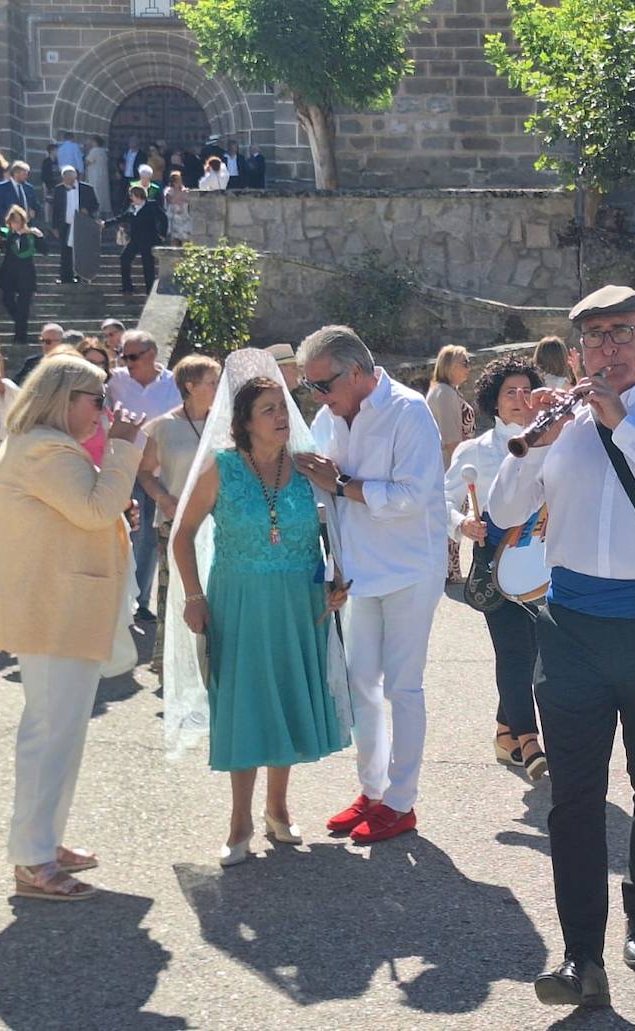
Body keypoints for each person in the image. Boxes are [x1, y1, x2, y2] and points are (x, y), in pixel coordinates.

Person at [486, 285, 635, 1008]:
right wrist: (535, 448)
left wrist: (622, 423)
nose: (608, 348)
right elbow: (501, 510)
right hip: (572, 632)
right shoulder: (558, 417)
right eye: (593, 338)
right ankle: (581, 953)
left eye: (621, 332)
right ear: (579, 348)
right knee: (574, 799)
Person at [171, 364, 349, 865]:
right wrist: (193, 597)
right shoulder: (221, 468)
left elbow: (333, 532)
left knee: (288, 697)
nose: (281, 417)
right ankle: (238, 821)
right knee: (246, 703)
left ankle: (278, 808)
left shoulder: (307, 466)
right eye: (268, 410)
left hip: (299, 599)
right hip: (239, 600)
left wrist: (336, 582)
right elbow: (183, 536)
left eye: (283, 408)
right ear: (244, 421)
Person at [0, 352, 144, 900]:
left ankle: (43, 843)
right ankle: (33, 859)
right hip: (54, 612)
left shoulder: (43, 448)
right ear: (64, 399)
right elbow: (95, 512)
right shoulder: (46, 450)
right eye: (96, 399)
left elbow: (89, 510)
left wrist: (115, 490)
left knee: (58, 734)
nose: (103, 409)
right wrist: (123, 447)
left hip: (59, 609)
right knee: (51, 736)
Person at [294, 325, 447, 846]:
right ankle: (372, 791)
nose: (318, 396)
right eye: (311, 386)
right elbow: (322, 495)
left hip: (410, 569)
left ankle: (401, 802)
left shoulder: (409, 412)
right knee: (360, 684)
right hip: (358, 570)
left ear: (356, 372)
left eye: (323, 384)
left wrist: (338, 483)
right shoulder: (327, 416)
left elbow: (411, 496)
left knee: (403, 686)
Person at [443, 356, 548, 779]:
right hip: (494, 561)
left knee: (536, 649)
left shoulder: (551, 442)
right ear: (495, 401)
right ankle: (528, 738)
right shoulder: (475, 451)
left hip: (542, 560)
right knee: (512, 651)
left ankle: (506, 732)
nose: (520, 400)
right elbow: (442, 500)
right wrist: (462, 523)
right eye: (510, 392)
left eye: (527, 391)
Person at [138, 355, 221, 678]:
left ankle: (211, 661)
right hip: (176, 521)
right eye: (212, 382)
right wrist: (163, 498)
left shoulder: (225, 425)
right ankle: (171, 664)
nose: (217, 388)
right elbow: (145, 473)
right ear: (190, 386)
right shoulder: (163, 427)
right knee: (174, 591)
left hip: (218, 521)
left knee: (213, 591)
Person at [108, 330, 182, 622]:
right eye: (123, 356)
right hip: (123, 467)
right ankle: (120, 598)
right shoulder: (115, 381)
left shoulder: (174, 383)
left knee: (150, 536)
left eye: (133, 356)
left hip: (158, 471)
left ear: (152, 355)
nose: (127, 362)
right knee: (125, 534)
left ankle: (140, 600)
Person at [426, 344, 475, 581]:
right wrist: (462, 469)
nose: (469, 367)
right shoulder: (445, 393)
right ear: (448, 366)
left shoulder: (444, 391)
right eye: (463, 363)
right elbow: (451, 439)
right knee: (452, 517)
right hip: (450, 466)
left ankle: (448, 570)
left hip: (444, 465)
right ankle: (450, 571)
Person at [0, 206, 44, 347]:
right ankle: (20, 322)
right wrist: (16, 233)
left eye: (18, 221)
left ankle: (20, 337)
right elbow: (3, 236)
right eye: (13, 222)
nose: (15, 224)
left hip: (26, 276)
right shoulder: (9, 234)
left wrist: (39, 236)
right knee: (7, 300)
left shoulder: (31, 235)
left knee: (24, 307)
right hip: (9, 275)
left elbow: (44, 250)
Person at [107, 185, 167, 296]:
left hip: (149, 239)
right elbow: (122, 217)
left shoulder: (151, 205)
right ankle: (127, 287)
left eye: (132, 195)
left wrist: (162, 234)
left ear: (137, 195)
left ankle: (149, 290)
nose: (131, 198)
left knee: (148, 265)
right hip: (135, 239)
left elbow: (163, 218)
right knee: (124, 258)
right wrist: (106, 224)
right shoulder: (132, 207)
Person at [51, 166, 98, 285]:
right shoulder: (59, 189)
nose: (70, 182)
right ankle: (65, 277)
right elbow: (55, 210)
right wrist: (55, 227)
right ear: (63, 178)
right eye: (67, 179)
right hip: (65, 224)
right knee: (65, 251)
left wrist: (87, 211)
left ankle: (82, 276)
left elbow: (95, 205)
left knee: (81, 251)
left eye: (72, 179)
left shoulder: (87, 189)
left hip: (81, 224)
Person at [0, 162, 40, 242]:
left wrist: (34, 212)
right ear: (16, 173)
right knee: (8, 249)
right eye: (24, 174)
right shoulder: (2, 187)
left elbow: (35, 205)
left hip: (26, 226)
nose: (26, 176)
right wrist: (11, 219)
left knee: (25, 250)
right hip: (8, 226)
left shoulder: (29, 188)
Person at [84, 136, 111, 219]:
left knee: (95, 193)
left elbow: (87, 162)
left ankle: (96, 212)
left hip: (94, 176)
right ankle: (104, 212)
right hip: (102, 176)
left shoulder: (94, 151)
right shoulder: (103, 151)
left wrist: (85, 152)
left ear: (95, 142)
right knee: (102, 194)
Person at [164, 170, 192, 244]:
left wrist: (182, 194)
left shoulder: (186, 191)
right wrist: (180, 194)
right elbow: (171, 200)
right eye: (178, 180)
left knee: (186, 239)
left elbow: (188, 200)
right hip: (174, 218)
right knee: (174, 239)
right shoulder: (169, 191)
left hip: (184, 217)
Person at [39, 145, 61, 228]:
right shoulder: (46, 162)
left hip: (56, 185)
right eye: (56, 150)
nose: (57, 152)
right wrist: (45, 187)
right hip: (48, 185)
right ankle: (47, 221)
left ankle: (52, 221)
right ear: (52, 151)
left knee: (54, 203)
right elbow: (44, 176)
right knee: (48, 202)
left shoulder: (57, 162)